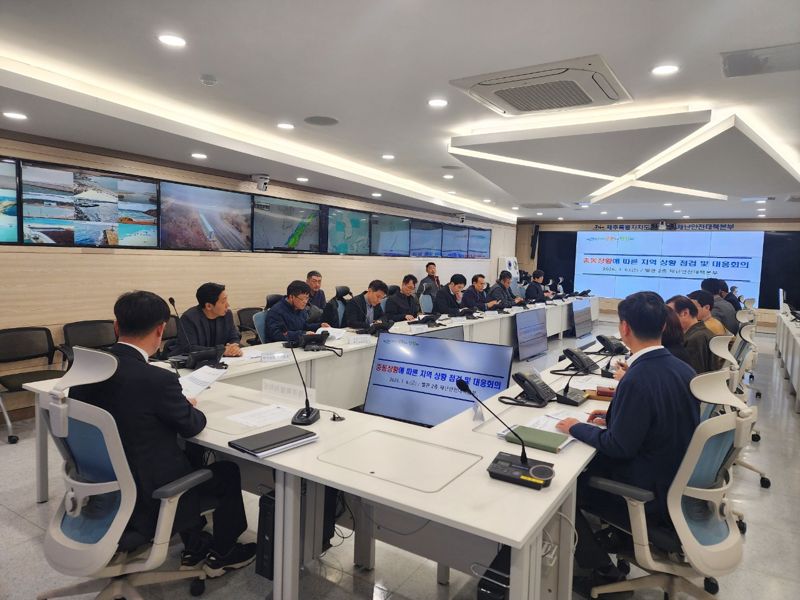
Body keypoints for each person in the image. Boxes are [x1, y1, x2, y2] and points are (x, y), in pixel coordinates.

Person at [70, 291, 255, 577]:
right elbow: (193, 426)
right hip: (149, 496)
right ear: (160, 330)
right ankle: (223, 553)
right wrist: (185, 405)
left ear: (116, 326)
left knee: (188, 455)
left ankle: (194, 542)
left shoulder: (85, 372)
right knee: (226, 471)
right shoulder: (158, 380)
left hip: (101, 489)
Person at [555, 291, 698, 589]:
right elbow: (659, 421)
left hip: (647, 492)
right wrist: (613, 419)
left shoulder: (637, 378)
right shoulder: (682, 369)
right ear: (663, 326)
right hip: (673, 479)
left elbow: (618, 446)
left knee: (563, 489)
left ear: (624, 327)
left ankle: (601, 570)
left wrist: (575, 427)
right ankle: (611, 539)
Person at [174, 282, 242, 357]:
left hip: (223, 360)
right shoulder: (189, 318)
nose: (228, 305)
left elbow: (234, 337)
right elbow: (189, 348)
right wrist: (221, 351)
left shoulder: (227, 314)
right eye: (223, 302)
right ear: (209, 306)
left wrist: (234, 347)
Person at [265, 280, 329, 343]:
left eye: (307, 298)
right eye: (302, 299)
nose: (305, 302)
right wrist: (302, 334)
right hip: (279, 346)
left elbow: (303, 326)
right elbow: (277, 335)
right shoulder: (276, 312)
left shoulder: (299, 308)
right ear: (291, 297)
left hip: (296, 344)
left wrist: (319, 326)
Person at [667, 294, 718, 373]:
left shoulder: (696, 338)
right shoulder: (701, 332)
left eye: (671, 315)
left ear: (685, 313)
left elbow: (694, 374)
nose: (668, 319)